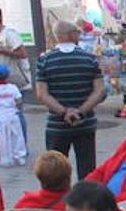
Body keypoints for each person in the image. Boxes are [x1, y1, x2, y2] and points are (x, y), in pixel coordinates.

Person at [36, 20, 105, 179]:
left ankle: (58, 201)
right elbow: (99, 90)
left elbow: (42, 94)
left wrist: (64, 112)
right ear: (72, 35)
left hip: (56, 124)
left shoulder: (45, 60)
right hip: (85, 123)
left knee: (55, 172)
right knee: (87, 169)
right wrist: (80, 112)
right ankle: (85, 201)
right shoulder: (89, 59)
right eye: (77, 32)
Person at [0, 64, 26, 167]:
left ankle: (6, 158)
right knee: (17, 136)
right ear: (8, 76)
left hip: (0, 116)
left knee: (2, 137)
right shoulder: (13, 88)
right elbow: (19, 100)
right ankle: (19, 157)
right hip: (13, 114)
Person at [0, 6, 30, 96]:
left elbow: (22, 53)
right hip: (3, 81)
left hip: (16, 81)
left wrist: (2, 50)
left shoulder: (9, 33)